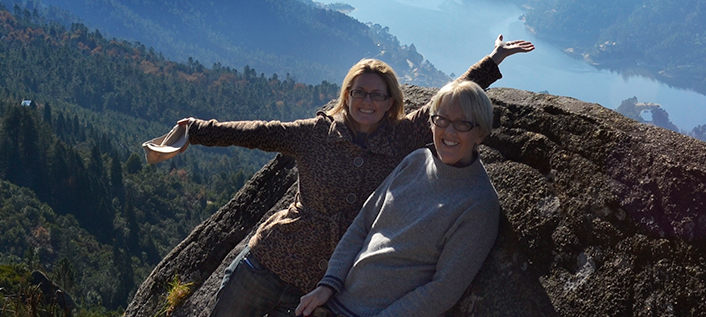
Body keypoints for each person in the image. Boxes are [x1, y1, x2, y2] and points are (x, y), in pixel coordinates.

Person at [145, 36, 531, 317]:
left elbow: (453, 107)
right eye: (359, 92)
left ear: (391, 103)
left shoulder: (404, 137)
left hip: (318, 288)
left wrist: (493, 60)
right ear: (346, 95)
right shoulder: (314, 133)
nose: (367, 101)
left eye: (377, 95)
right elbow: (257, 132)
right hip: (266, 262)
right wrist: (196, 130)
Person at [295, 80, 500, 317]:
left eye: (462, 124)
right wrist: (328, 285)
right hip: (334, 302)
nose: (449, 132)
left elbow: (443, 289)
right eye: (441, 120)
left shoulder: (478, 203)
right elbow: (363, 224)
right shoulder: (415, 161)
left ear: (480, 133)